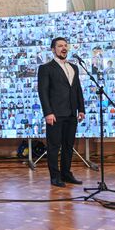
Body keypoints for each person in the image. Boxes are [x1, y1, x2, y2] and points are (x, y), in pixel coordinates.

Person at [37, 37, 85, 187]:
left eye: (65, 46)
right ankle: (55, 177)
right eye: (60, 46)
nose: (63, 48)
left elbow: (77, 89)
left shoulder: (74, 67)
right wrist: (48, 112)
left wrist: (81, 109)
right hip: (55, 114)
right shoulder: (46, 68)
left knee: (68, 146)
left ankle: (66, 173)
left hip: (72, 113)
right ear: (53, 49)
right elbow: (42, 92)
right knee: (53, 146)